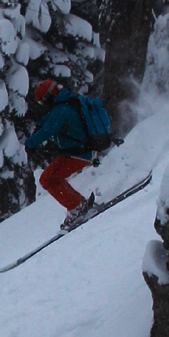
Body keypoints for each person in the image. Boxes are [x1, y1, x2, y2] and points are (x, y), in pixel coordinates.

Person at [24, 79, 96, 230]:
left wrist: (29, 144)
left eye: (41, 102)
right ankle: (78, 204)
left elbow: (48, 129)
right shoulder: (64, 104)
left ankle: (77, 206)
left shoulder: (61, 109)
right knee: (51, 178)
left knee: (47, 179)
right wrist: (39, 124)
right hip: (75, 152)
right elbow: (49, 120)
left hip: (78, 153)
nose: (42, 106)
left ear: (48, 96)